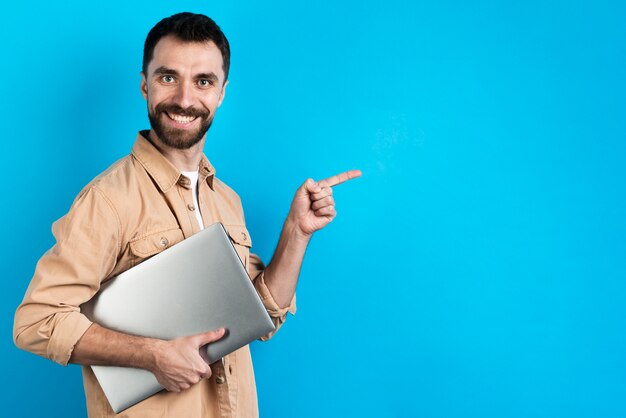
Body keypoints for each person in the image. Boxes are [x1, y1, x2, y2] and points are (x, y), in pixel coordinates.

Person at [13, 12, 360, 418]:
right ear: (144, 84)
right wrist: (153, 355)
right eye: (167, 77)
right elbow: (35, 321)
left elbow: (263, 314)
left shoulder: (226, 199)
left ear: (222, 92)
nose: (184, 99)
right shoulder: (107, 199)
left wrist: (297, 232)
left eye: (203, 81)